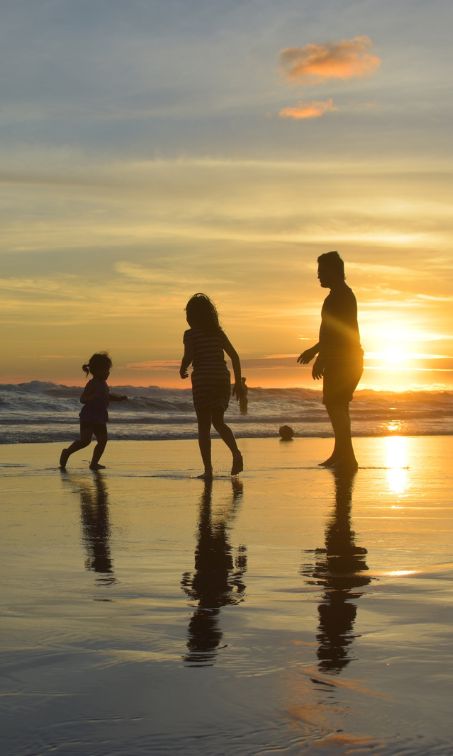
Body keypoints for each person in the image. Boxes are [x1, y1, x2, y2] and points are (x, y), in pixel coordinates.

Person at [297, 251, 363, 470]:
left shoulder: (340, 297)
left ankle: (348, 457)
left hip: (344, 360)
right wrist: (315, 351)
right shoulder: (338, 296)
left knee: (336, 405)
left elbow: (337, 334)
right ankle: (341, 453)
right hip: (344, 359)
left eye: (321, 271)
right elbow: (329, 332)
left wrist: (320, 357)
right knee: (338, 406)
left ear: (334, 271)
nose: (318, 276)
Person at [180, 293, 244, 479]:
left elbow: (189, 355)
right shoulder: (218, 333)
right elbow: (235, 357)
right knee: (218, 421)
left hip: (203, 380)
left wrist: (183, 367)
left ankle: (208, 471)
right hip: (220, 380)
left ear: (191, 317)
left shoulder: (190, 334)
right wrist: (238, 383)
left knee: (203, 427)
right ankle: (236, 453)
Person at [59, 352, 127, 471]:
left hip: (100, 417)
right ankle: (67, 452)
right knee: (85, 441)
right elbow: (82, 399)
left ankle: (94, 463)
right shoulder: (92, 384)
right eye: (105, 370)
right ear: (96, 370)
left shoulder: (104, 384)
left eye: (108, 370)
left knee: (103, 441)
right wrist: (91, 397)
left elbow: (106, 396)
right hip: (88, 416)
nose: (108, 373)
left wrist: (118, 398)